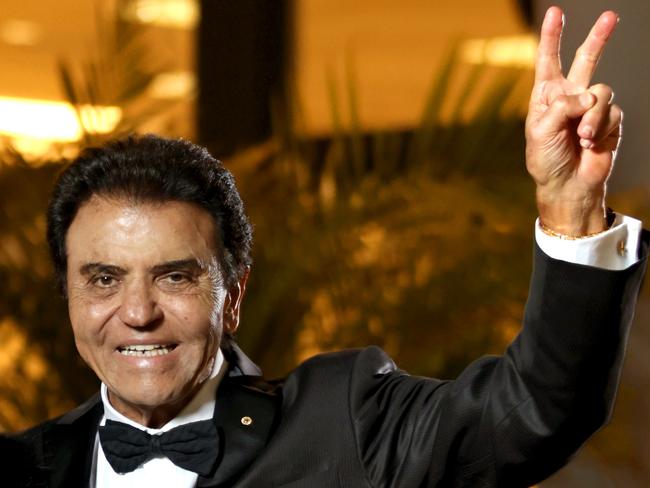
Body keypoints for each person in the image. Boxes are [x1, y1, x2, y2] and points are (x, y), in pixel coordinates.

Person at [5, 6, 648, 488]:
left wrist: (569, 205)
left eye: (175, 277)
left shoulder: (346, 418)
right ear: (68, 297)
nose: (137, 311)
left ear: (233, 296)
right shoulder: (23, 466)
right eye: (103, 279)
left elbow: (534, 414)